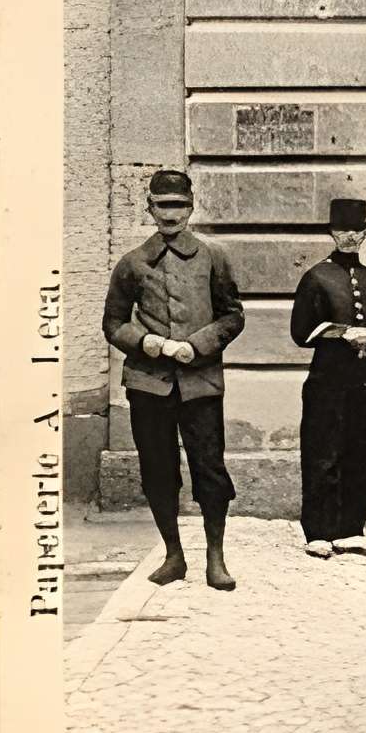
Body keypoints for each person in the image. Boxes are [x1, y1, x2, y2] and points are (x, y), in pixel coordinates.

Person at [102, 167, 244, 590]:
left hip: (200, 384)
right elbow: (112, 323)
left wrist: (197, 346)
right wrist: (148, 343)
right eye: (163, 206)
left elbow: (233, 316)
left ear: (191, 207)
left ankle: (215, 559)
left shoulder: (213, 258)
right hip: (148, 384)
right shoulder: (131, 264)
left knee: (210, 470)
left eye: (179, 206)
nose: (171, 214)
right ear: (149, 207)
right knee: (158, 471)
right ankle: (174, 555)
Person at [289, 196, 366, 560]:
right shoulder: (316, 278)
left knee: (363, 452)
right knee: (324, 452)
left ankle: (351, 528)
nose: (350, 238)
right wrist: (340, 334)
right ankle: (319, 531)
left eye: (357, 231)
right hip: (329, 382)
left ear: (365, 233)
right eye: (343, 231)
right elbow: (299, 331)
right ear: (331, 232)